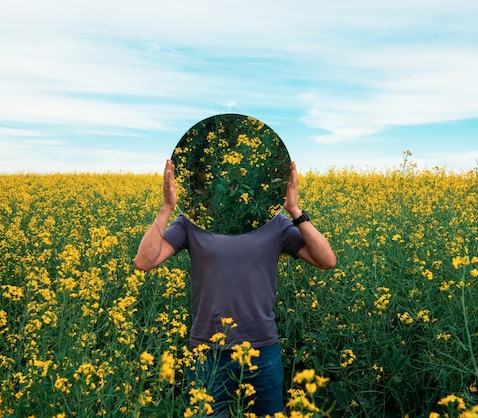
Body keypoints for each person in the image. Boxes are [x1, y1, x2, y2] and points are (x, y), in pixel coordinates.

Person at [134, 159, 336, 416]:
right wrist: (166, 208)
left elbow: (326, 260)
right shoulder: (192, 222)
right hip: (206, 353)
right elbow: (144, 262)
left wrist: (295, 210)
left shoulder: (274, 223)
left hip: (262, 349)